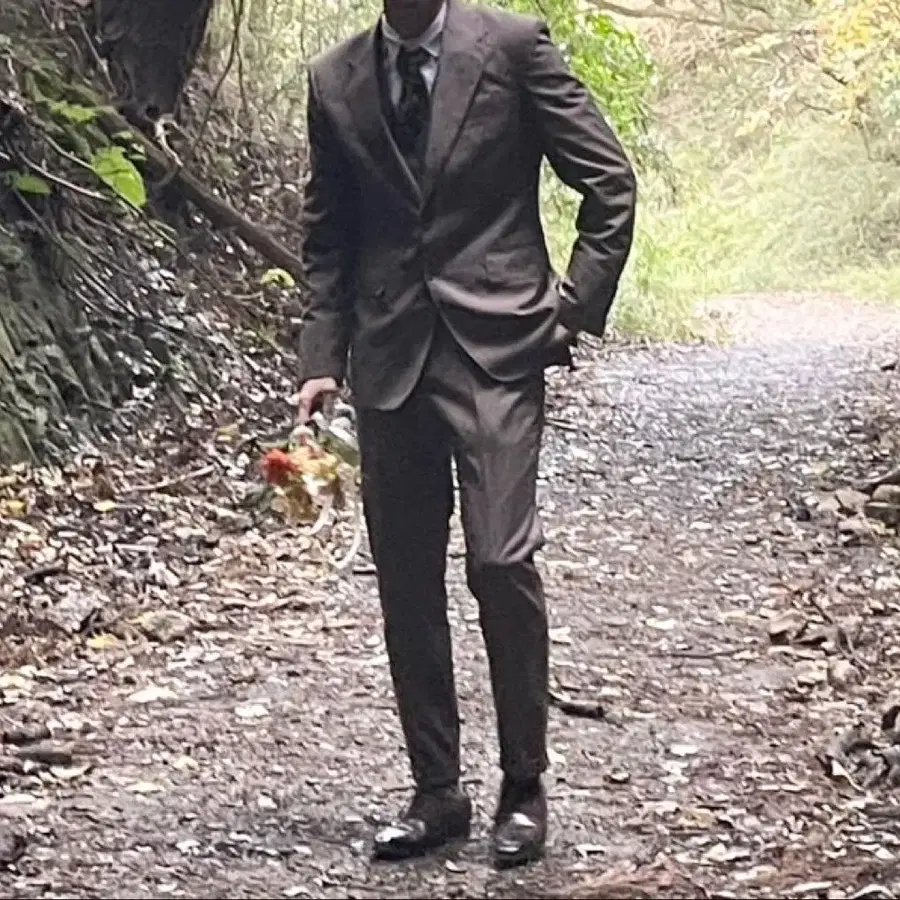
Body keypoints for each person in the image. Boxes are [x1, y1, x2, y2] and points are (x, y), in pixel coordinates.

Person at [296, 0, 637, 869]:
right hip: (388, 358)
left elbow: (607, 181)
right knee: (405, 577)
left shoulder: (513, 49)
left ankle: (523, 786)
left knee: (500, 559)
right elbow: (329, 237)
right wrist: (320, 359)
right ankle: (436, 791)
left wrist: (571, 308)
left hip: (498, 348)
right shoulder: (335, 80)